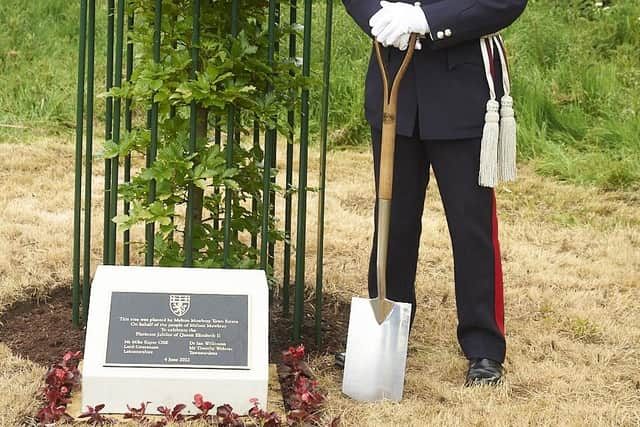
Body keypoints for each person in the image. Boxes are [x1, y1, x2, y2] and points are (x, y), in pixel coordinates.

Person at [335, 0, 528, 385]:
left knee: (471, 227)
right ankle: (388, 329)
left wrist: (428, 20)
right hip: (395, 83)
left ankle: (483, 345)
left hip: (463, 91)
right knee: (393, 221)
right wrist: (378, 17)